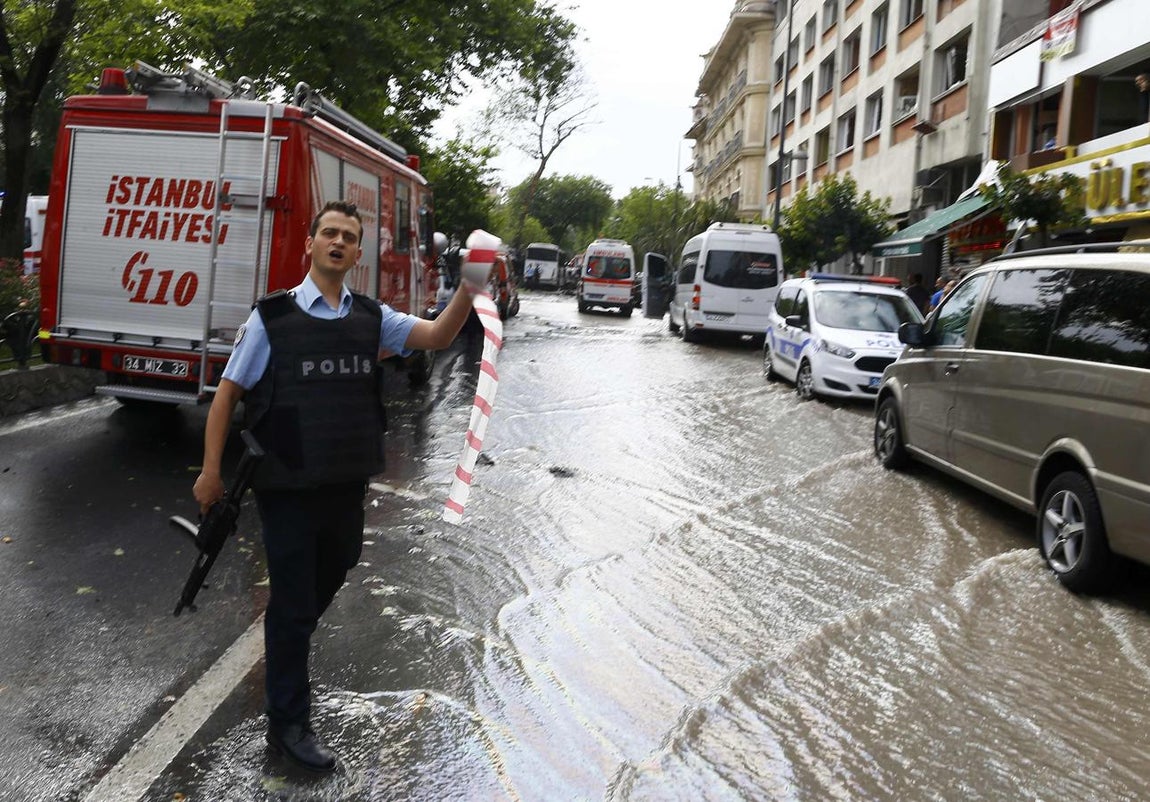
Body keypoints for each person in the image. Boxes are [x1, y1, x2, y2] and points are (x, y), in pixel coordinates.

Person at [192, 200, 489, 774]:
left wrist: (472, 282)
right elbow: (227, 395)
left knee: (327, 577)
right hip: (286, 488)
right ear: (310, 244)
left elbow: (438, 334)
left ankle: (289, 646)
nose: (338, 242)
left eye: (348, 237)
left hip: (344, 484)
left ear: (356, 253)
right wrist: (210, 472)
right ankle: (288, 728)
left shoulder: (373, 319)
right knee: (292, 604)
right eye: (328, 232)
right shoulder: (271, 318)